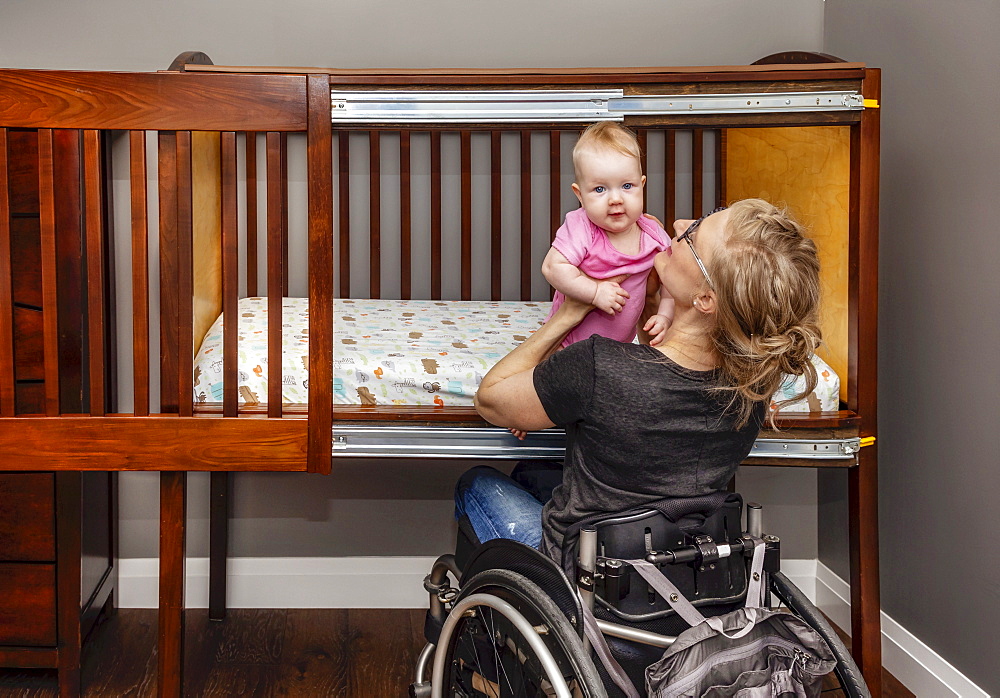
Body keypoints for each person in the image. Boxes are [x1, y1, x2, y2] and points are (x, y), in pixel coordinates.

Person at [457, 199, 822, 566]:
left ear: (706, 298)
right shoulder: (753, 383)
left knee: (476, 483)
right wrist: (652, 302)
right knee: (533, 474)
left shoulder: (597, 365)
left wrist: (567, 315)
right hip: (682, 567)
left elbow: (490, 399)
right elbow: (664, 368)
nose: (679, 224)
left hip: (588, 574)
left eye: (693, 234)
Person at [542, 122, 674, 348]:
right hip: (567, 344)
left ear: (642, 185)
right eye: (600, 189)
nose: (616, 199)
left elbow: (672, 283)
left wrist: (664, 316)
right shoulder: (581, 227)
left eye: (627, 186)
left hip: (617, 346)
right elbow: (553, 267)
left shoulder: (654, 235)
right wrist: (594, 292)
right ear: (580, 194)